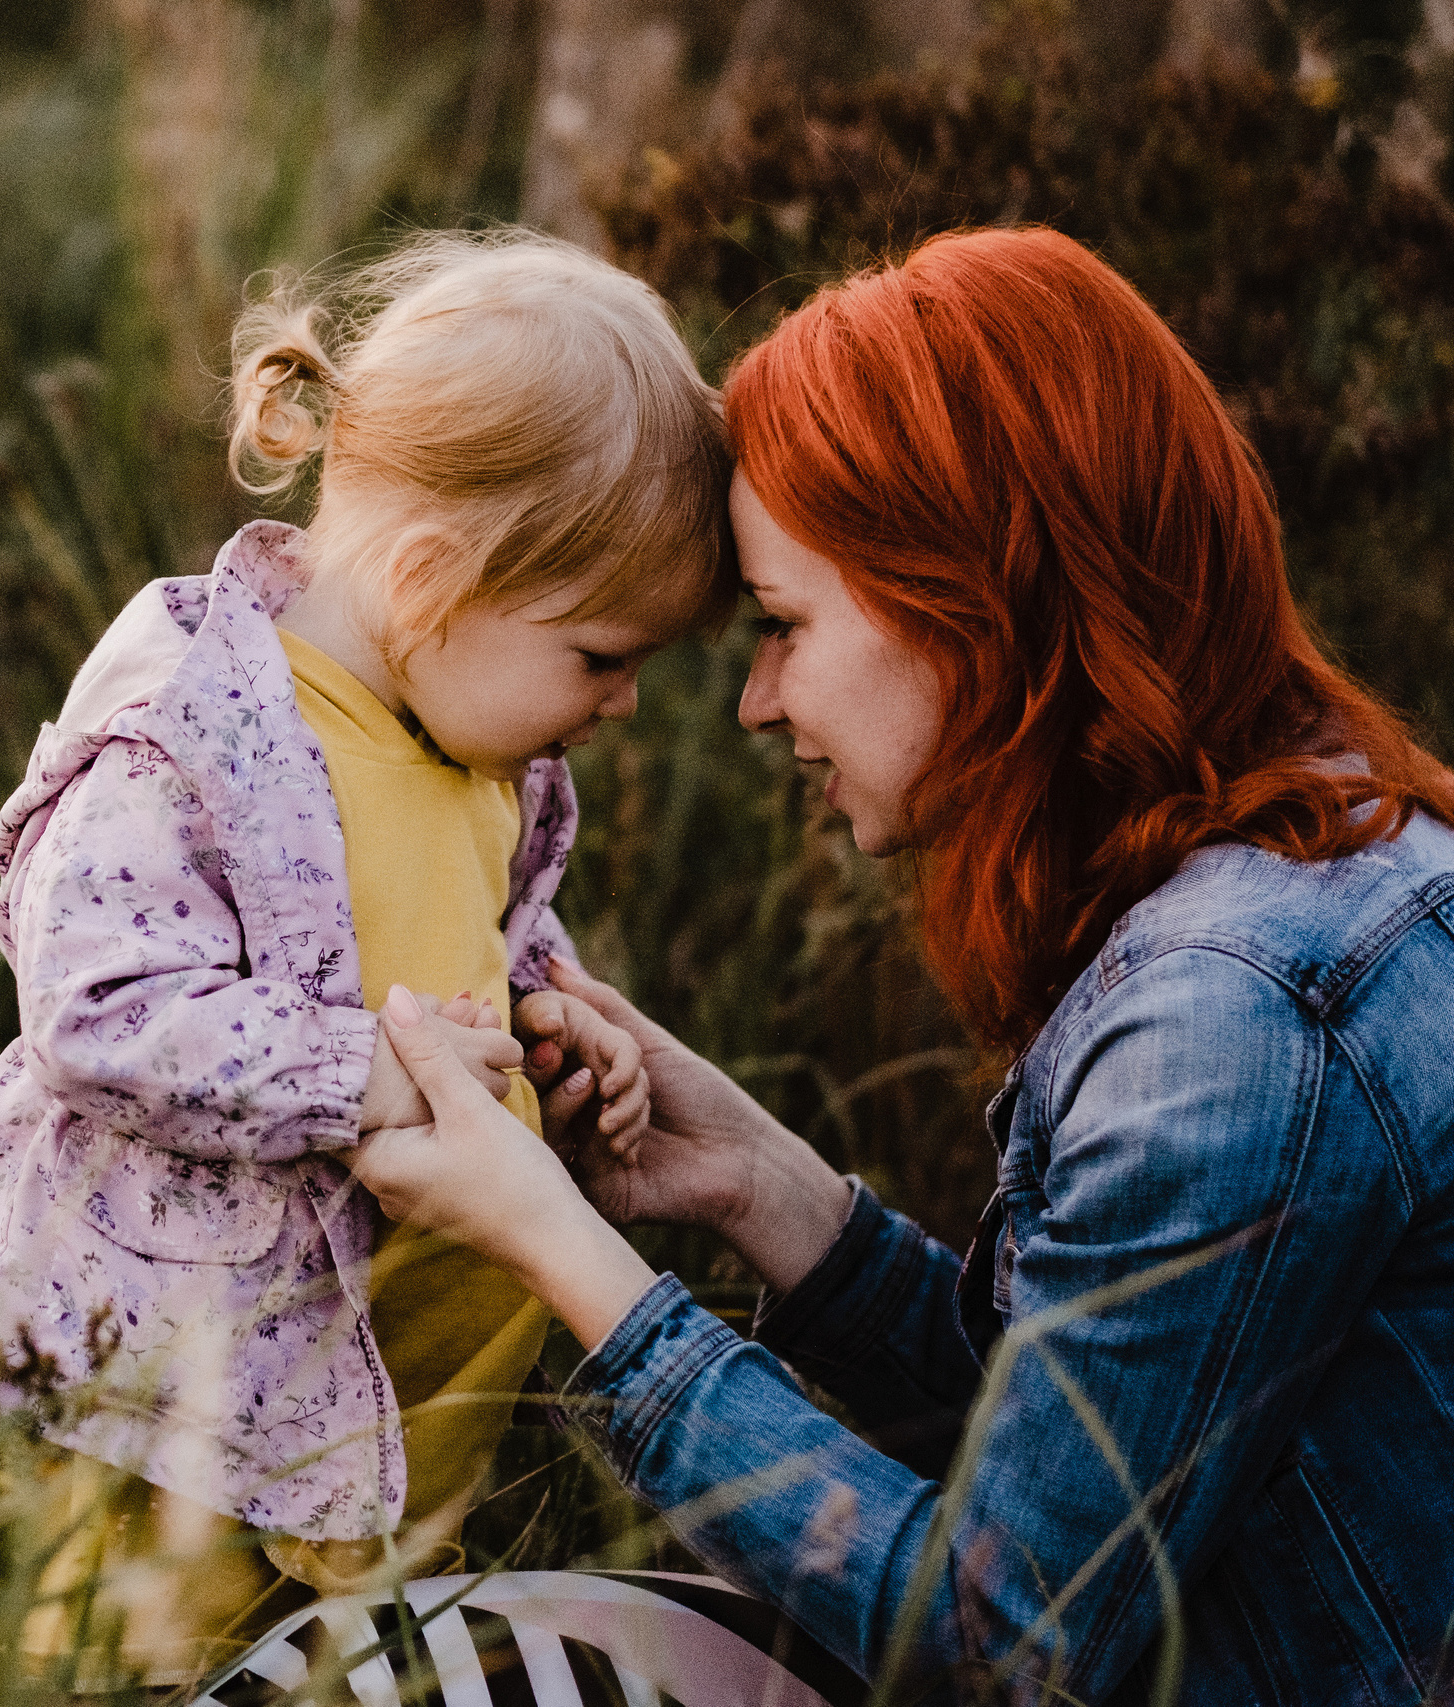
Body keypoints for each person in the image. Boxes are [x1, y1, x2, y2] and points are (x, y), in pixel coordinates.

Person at [346, 226, 1454, 1705]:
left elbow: (1003, 1648)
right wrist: (752, 1178)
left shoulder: (1235, 1013)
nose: (753, 703)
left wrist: (568, 1257)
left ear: (969, 607)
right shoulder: (1327, 866)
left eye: (785, 626)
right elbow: (1070, 1474)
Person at [0, 229, 734, 1681]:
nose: (622, 706)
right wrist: (357, 1073)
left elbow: (466, 933)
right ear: (432, 579)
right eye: (603, 655)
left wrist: (549, 1011)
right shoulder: (200, 732)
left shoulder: (483, 748)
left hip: (385, 1423)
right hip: (173, 1423)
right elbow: (102, 1011)